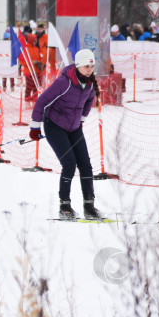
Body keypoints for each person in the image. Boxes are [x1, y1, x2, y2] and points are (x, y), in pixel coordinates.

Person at [28, 49, 103, 220]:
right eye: (86, 66)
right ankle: (65, 206)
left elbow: (90, 99)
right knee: (69, 164)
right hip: (54, 126)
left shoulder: (90, 83)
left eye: (92, 66)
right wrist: (35, 127)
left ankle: (89, 206)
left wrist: (82, 119)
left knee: (85, 164)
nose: (90, 69)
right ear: (78, 66)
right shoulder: (65, 82)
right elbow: (42, 100)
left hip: (74, 127)